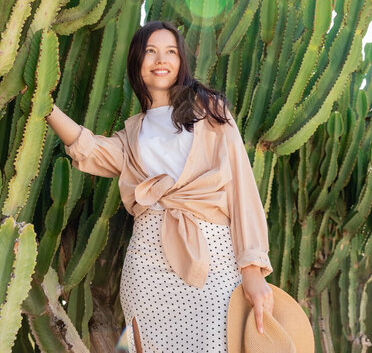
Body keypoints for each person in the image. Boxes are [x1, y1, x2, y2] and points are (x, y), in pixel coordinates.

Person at [45, 20, 274, 352]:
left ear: (181, 61)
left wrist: (252, 270)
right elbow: (88, 149)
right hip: (147, 266)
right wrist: (45, 108)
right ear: (138, 62)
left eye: (170, 52)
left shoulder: (210, 112)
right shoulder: (132, 134)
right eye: (150, 51)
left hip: (212, 258)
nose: (160, 60)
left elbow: (242, 190)